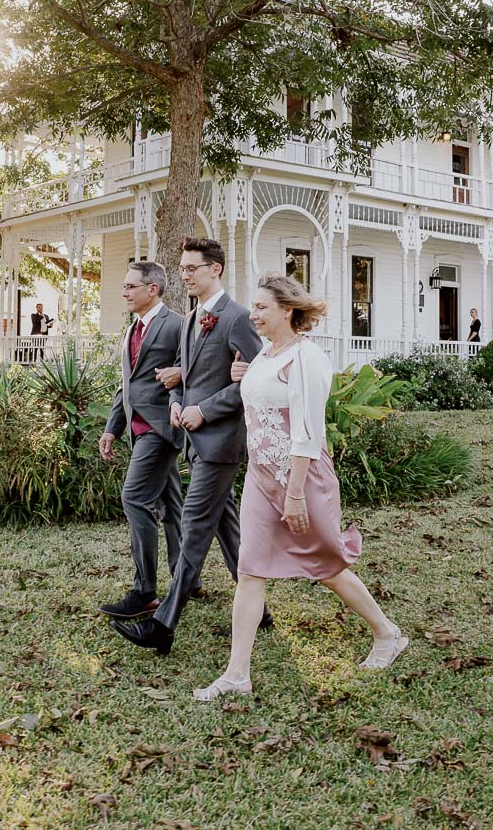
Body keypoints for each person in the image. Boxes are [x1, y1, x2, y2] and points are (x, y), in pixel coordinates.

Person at [193, 275, 407, 701]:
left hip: (301, 477)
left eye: (261, 308)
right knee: (249, 570)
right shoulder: (265, 354)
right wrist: (243, 373)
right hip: (260, 477)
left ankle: (387, 634)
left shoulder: (308, 357)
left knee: (326, 565)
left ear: (286, 311)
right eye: (252, 307)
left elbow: (307, 432)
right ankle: (237, 674)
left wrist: (293, 493)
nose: (252, 314)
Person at [110, 236, 263, 656]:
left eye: (191, 267)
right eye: (181, 268)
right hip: (194, 440)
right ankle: (259, 608)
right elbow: (182, 378)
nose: (184, 274)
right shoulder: (193, 319)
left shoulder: (237, 318)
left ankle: (162, 626)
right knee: (226, 525)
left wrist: (205, 410)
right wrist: (178, 405)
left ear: (215, 269)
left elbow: (256, 379)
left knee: (194, 527)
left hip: (222, 441)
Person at [96, 261, 189, 621]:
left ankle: (144, 591)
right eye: (124, 286)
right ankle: (188, 579)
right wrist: (112, 428)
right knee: (171, 506)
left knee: (134, 497)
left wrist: (179, 379)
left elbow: (193, 370)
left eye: (132, 286)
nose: (125, 292)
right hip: (136, 429)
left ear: (153, 289)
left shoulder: (178, 325)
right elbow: (127, 385)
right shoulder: (131, 329)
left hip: (161, 428)